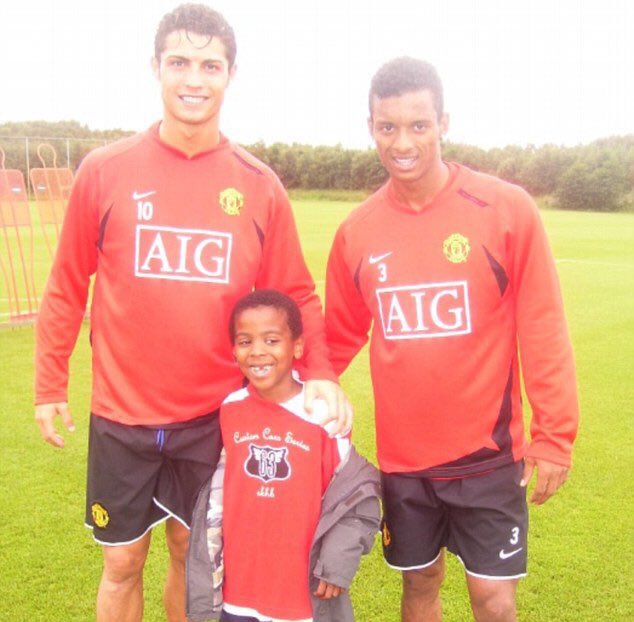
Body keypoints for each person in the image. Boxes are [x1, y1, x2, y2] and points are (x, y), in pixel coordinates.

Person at [34, 5, 351, 622]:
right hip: (121, 415)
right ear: (155, 67)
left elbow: (296, 293)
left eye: (210, 65)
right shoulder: (104, 171)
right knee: (122, 561)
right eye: (179, 62)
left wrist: (321, 373)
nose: (194, 79)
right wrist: (49, 384)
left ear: (231, 75)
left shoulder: (258, 184)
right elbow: (67, 285)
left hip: (213, 416)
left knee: (191, 553)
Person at [325, 57, 579, 622]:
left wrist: (555, 435)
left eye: (419, 125)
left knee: (493, 599)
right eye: (388, 127)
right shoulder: (357, 232)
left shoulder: (505, 210)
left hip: (487, 456)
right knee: (419, 585)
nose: (403, 142)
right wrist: (282, 400)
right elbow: (336, 338)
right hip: (404, 462)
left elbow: (543, 325)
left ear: (443, 122)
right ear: (370, 128)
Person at [185, 289, 381, 622]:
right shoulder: (230, 408)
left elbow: (358, 494)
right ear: (233, 349)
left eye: (272, 340)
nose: (257, 351)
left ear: (298, 347)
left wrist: (338, 559)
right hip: (237, 593)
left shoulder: (322, 414)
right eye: (245, 341)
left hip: (301, 596)